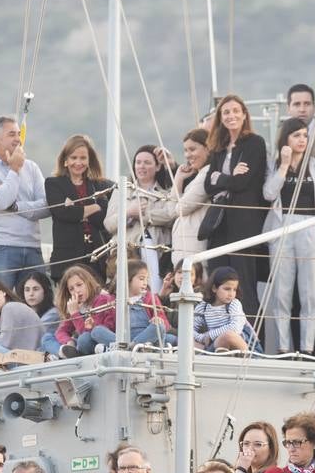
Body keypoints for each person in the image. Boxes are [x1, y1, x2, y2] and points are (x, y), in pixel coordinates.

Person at [262, 117, 315, 355]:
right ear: (286, 139)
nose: (302, 140)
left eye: (304, 135)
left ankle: (307, 348)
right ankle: (283, 347)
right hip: (283, 227)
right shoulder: (274, 165)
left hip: (310, 226)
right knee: (282, 292)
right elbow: (269, 194)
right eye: (296, 135)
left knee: (310, 292)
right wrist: (283, 166)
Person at [203, 94, 269, 324]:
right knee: (217, 281)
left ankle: (251, 340)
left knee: (244, 284)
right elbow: (208, 185)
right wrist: (228, 177)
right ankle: (218, 332)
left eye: (235, 111)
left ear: (244, 115)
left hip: (244, 224)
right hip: (219, 224)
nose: (231, 116)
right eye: (226, 112)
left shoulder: (255, 143)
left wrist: (221, 177)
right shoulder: (218, 149)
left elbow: (244, 183)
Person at [0, 115, 50, 286]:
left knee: (38, 305)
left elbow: (47, 206)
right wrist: (14, 169)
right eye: (12, 134)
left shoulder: (31, 167)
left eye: (18, 134)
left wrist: (16, 207)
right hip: (0, 248)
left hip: (32, 247)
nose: (18, 139)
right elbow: (0, 201)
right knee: (1, 304)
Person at [104, 145, 179, 293]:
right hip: (127, 252)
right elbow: (109, 224)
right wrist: (128, 212)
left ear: (157, 167)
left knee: (155, 289)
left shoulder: (166, 193)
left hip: (157, 251)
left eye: (147, 162)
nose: (141, 166)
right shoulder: (121, 190)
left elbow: (171, 215)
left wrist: (143, 215)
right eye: (138, 162)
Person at [44, 134, 113, 281]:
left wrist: (76, 208)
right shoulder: (53, 184)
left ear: (89, 160)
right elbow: (63, 213)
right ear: (65, 160)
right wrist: (95, 206)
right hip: (67, 259)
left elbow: (103, 218)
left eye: (83, 158)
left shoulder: (100, 185)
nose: (78, 162)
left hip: (96, 259)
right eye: (73, 158)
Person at [97, 259, 176, 349]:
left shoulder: (150, 297)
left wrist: (157, 319)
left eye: (147, 279)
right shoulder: (114, 300)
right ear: (127, 279)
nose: (145, 283)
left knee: (160, 327)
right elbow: (109, 325)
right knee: (97, 330)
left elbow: (164, 322)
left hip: (146, 338)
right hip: (122, 339)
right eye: (141, 279)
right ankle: (128, 346)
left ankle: (129, 347)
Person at [0, 278, 49, 367]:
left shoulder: (9, 307)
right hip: (31, 357)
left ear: (3, 292)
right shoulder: (11, 307)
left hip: (30, 359)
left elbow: (5, 343)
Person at [170, 129, 214, 264]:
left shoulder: (207, 173)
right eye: (185, 150)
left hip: (195, 249)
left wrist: (177, 205)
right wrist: (178, 178)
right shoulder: (199, 175)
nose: (188, 155)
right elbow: (173, 207)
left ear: (207, 149)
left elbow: (179, 209)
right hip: (187, 248)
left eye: (192, 149)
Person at [53, 265, 116, 358]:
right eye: (71, 289)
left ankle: (64, 354)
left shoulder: (102, 299)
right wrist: (69, 342)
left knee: (85, 338)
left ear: (88, 283)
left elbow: (91, 332)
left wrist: (75, 314)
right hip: (86, 344)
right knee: (47, 337)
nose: (76, 291)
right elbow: (61, 331)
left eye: (79, 285)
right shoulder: (77, 305)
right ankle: (65, 352)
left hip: (102, 340)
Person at [194, 266, 258, 353]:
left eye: (234, 290)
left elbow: (236, 328)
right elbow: (191, 329)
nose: (231, 294)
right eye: (227, 289)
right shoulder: (203, 307)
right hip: (215, 345)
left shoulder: (234, 304)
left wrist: (210, 335)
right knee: (186, 340)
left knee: (227, 336)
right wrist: (202, 338)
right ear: (214, 288)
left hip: (242, 345)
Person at [16, 271, 62, 356]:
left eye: (36, 289)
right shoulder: (23, 315)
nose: (31, 294)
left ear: (45, 291)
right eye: (27, 290)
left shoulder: (54, 313)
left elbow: (33, 335)